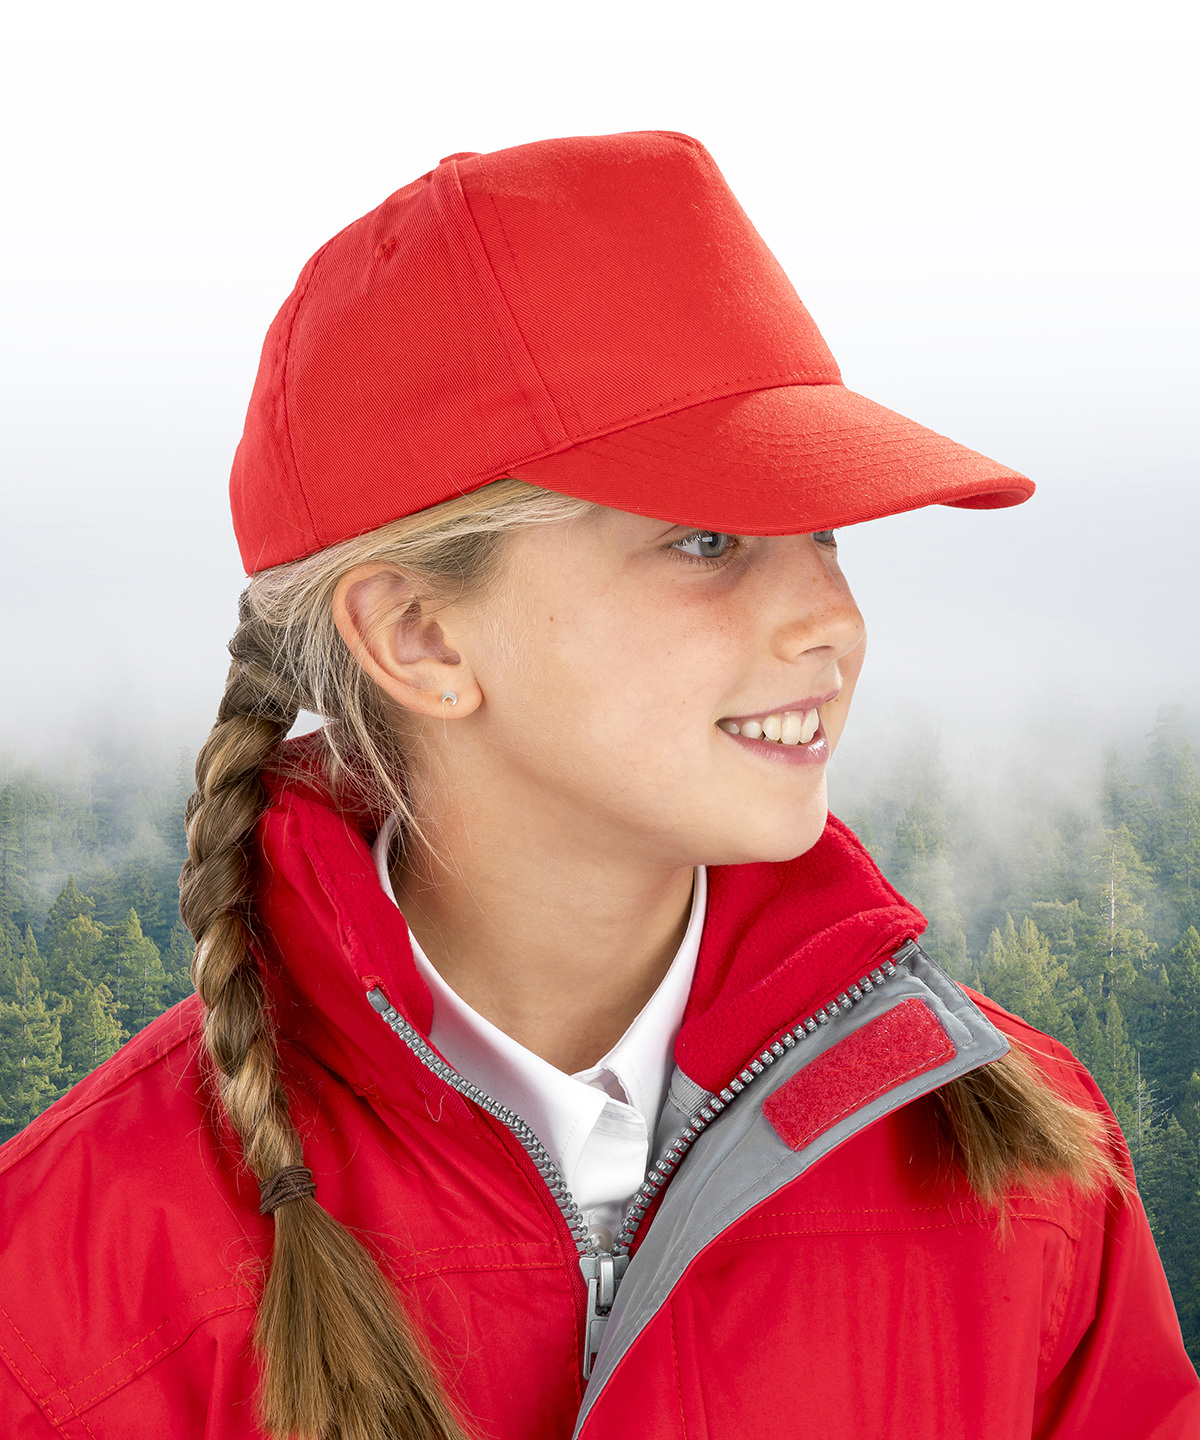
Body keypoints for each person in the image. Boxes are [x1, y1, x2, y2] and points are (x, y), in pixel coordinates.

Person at [0, 130, 1195, 1440]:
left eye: (825, 532)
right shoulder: (67, 1281)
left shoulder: (1029, 1164)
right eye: (708, 539)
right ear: (419, 636)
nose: (833, 621)